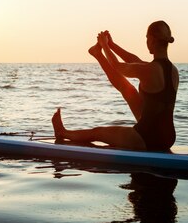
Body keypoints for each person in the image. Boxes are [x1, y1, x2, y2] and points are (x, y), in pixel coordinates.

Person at [51, 21, 179, 151]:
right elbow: (134, 60)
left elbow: (118, 67)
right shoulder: (173, 70)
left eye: (147, 38)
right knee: (129, 90)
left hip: (147, 138)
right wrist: (112, 45)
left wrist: (104, 45)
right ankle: (97, 54)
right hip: (167, 137)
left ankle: (62, 132)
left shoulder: (150, 69)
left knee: (97, 133)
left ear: (151, 40)